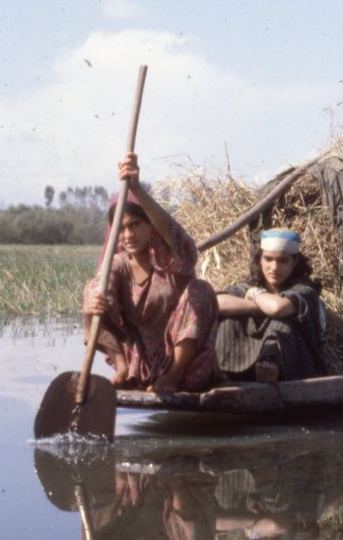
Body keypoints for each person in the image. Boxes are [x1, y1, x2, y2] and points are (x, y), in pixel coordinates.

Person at [83, 152, 221, 393]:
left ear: (150, 226)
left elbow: (182, 245)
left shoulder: (168, 260)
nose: (128, 236)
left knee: (201, 290)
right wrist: (93, 304)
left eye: (135, 225)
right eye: (122, 229)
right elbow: (102, 294)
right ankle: (122, 368)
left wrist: (136, 187)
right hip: (140, 364)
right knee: (93, 292)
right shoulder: (119, 265)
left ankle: (172, 376)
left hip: (182, 366)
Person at [215, 228, 326, 384]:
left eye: (282, 260)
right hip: (245, 363)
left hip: (293, 367)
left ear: (294, 262)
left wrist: (254, 294)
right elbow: (218, 302)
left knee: (280, 324)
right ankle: (227, 374)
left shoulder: (305, 291)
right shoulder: (248, 286)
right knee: (229, 321)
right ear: (260, 259)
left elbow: (277, 309)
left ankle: (269, 371)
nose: (274, 267)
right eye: (268, 259)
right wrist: (257, 306)